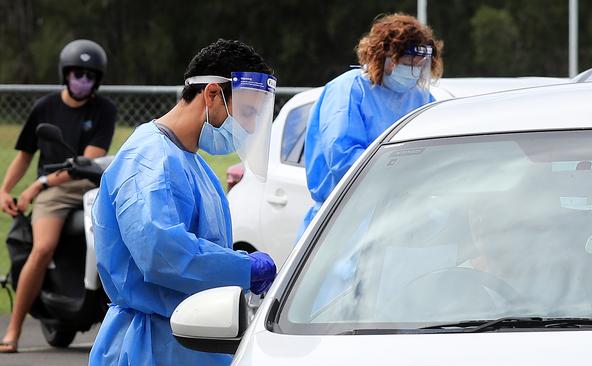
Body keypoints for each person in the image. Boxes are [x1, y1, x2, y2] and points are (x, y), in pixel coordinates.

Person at [88, 39, 278, 365]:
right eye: (247, 112)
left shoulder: (192, 162)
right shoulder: (149, 159)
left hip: (190, 342)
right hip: (152, 347)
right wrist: (244, 268)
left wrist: (234, 262)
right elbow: (162, 254)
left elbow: (200, 245)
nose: (249, 126)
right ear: (213, 94)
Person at [0, 39, 117, 353]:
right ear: (65, 74)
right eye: (77, 73)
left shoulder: (104, 110)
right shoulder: (45, 107)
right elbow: (25, 154)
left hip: (89, 182)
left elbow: (89, 158)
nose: (82, 80)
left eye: (89, 75)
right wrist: (5, 189)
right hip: (55, 192)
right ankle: (13, 330)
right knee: (43, 248)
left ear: (98, 80)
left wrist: (37, 183)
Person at [298, 13, 444, 237]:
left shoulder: (420, 98)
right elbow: (344, 160)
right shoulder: (348, 91)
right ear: (384, 57)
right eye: (407, 64)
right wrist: (405, 173)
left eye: (420, 66)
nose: (413, 73)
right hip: (344, 224)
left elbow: (437, 154)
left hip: (401, 223)